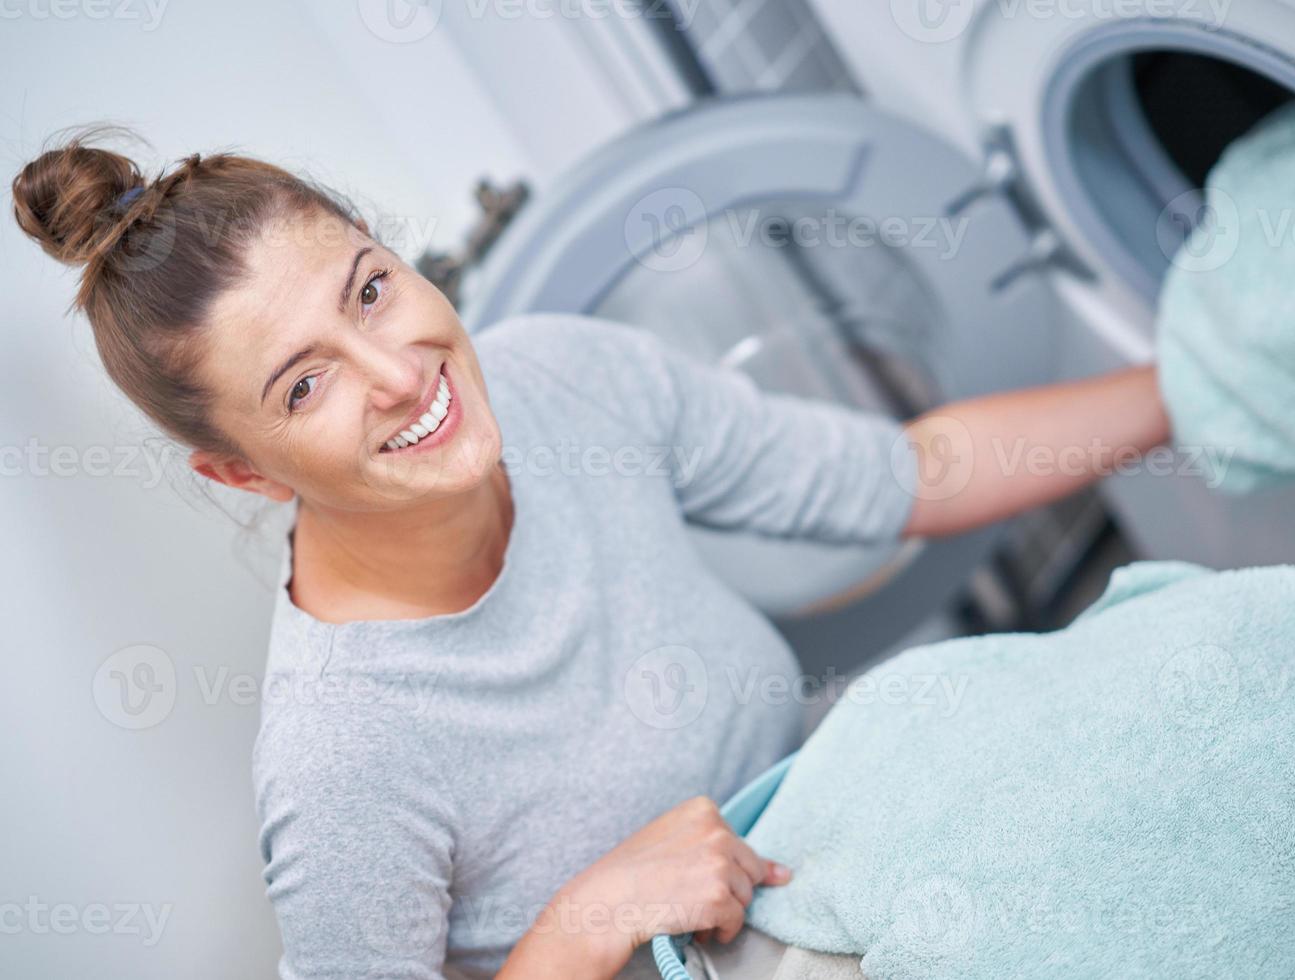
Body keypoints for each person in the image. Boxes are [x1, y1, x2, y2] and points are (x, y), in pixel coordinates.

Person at [11, 130, 1171, 978]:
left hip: (854, 860)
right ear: (246, 472)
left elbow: (909, 475)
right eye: (305, 384)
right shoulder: (344, 757)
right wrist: (583, 919)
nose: (400, 373)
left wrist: (1198, 386)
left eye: (370, 289)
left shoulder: (566, 376)